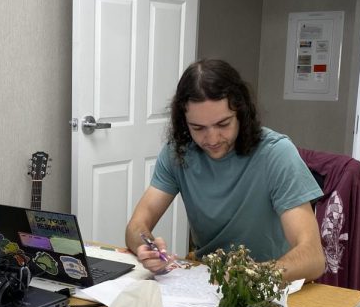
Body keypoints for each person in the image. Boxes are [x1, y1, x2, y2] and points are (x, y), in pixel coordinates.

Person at [125, 58, 326, 282]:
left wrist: (253, 275)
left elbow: (313, 258)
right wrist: (147, 248)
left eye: (223, 124)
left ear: (241, 112)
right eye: (198, 128)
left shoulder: (277, 154)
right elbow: (136, 226)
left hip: (274, 281)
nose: (211, 139)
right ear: (184, 122)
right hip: (208, 280)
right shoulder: (177, 153)